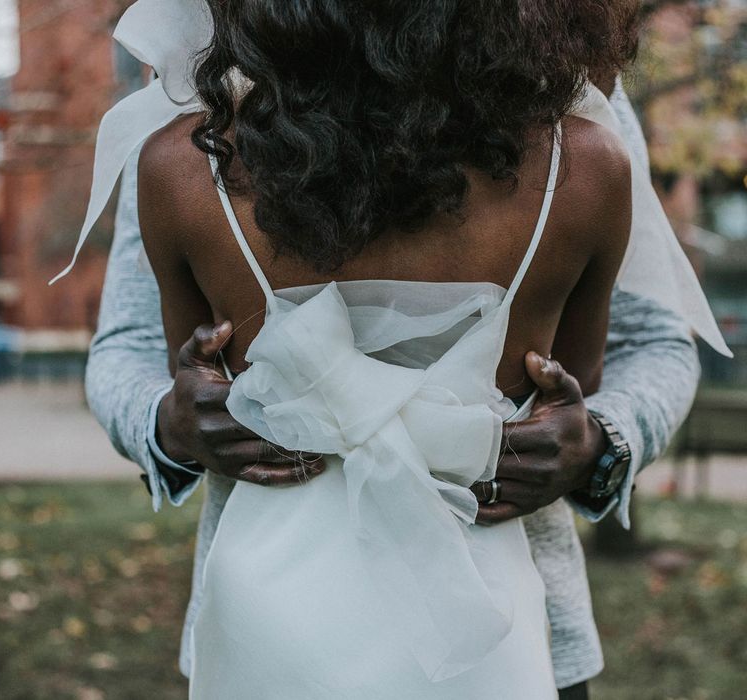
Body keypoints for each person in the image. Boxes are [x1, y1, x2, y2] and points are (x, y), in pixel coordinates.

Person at [67, 1, 730, 698]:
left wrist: (601, 441)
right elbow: (129, 349)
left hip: (489, 616)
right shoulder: (189, 95)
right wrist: (164, 423)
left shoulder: (570, 96)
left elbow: (654, 338)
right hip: (346, 614)